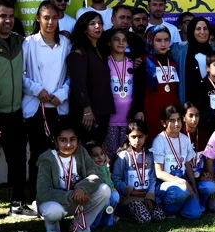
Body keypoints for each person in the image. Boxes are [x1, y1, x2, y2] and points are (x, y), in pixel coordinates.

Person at [0, 0, 35, 219]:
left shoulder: (20, 41)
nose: (8, 20)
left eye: (11, 16)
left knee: (17, 161)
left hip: (16, 112)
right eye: (2, 16)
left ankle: (17, 204)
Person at [23, 1, 72, 204]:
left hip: (58, 107)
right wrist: (37, 90)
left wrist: (62, 93)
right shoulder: (29, 43)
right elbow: (20, 75)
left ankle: (58, 195)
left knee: (60, 153)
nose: (50, 22)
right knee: (38, 153)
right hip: (36, 108)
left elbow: (71, 74)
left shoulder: (65, 43)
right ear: (38, 19)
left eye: (54, 18)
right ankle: (37, 197)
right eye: (46, 18)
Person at [37, 127, 114, 232]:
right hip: (56, 202)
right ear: (55, 141)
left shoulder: (81, 152)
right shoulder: (46, 159)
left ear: (77, 140)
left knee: (104, 190)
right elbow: (44, 192)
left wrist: (82, 188)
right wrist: (73, 195)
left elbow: (96, 174)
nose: (68, 145)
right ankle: (53, 231)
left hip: (80, 200)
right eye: (63, 140)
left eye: (72, 139)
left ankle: (79, 225)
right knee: (53, 211)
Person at [151, 104, 206, 220]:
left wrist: (195, 190)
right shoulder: (159, 140)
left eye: (179, 119)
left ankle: (178, 210)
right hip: (166, 183)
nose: (177, 124)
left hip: (182, 181)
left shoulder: (185, 139)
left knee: (195, 214)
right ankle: (168, 211)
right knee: (180, 191)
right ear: (164, 123)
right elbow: (159, 173)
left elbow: (188, 167)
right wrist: (181, 182)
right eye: (172, 120)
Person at [68, 12, 114, 145]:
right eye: (92, 23)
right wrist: (87, 109)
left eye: (100, 23)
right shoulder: (79, 51)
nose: (97, 26)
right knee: (90, 148)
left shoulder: (100, 48)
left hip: (102, 108)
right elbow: (79, 83)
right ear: (84, 28)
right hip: (87, 112)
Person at [102, 28, 147, 156]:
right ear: (109, 43)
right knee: (109, 155)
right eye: (117, 40)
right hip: (109, 119)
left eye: (124, 40)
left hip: (128, 118)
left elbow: (140, 89)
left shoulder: (134, 63)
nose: (121, 43)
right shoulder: (104, 63)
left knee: (126, 155)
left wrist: (138, 109)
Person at [111, 120, 166, 224]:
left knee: (160, 216)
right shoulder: (123, 156)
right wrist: (128, 190)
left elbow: (152, 178)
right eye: (133, 137)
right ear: (128, 137)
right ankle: (122, 215)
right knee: (145, 219)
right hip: (129, 198)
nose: (137, 140)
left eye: (140, 136)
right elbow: (116, 179)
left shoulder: (149, 155)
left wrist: (150, 196)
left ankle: (139, 211)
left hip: (145, 196)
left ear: (146, 137)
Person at [142, 26, 180, 141]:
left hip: (172, 111)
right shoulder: (144, 61)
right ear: (151, 41)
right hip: (152, 111)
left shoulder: (173, 62)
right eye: (158, 40)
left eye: (166, 40)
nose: (163, 44)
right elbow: (139, 89)